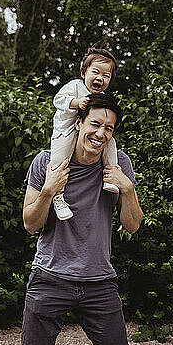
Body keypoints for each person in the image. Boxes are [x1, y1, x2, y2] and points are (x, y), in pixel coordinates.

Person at [8, 93, 144, 345]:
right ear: (79, 123)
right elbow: (30, 223)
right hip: (50, 278)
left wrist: (128, 189)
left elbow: (132, 225)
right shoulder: (47, 162)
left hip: (100, 282)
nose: (101, 133)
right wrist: (50, 189)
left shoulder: (119, 166)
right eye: (95, 124)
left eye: (109, 128)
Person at [50, 46, 120, 221]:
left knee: (110, 143)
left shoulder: (102, 97)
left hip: (87, 135)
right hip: (66, 131)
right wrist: (76, 102)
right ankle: (58, 196)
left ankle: (110, 176)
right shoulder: (75, 86)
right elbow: (57, 100)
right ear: (83, 72)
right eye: (96, 72)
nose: (100, 78)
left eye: (106, 76)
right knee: (60, 161)